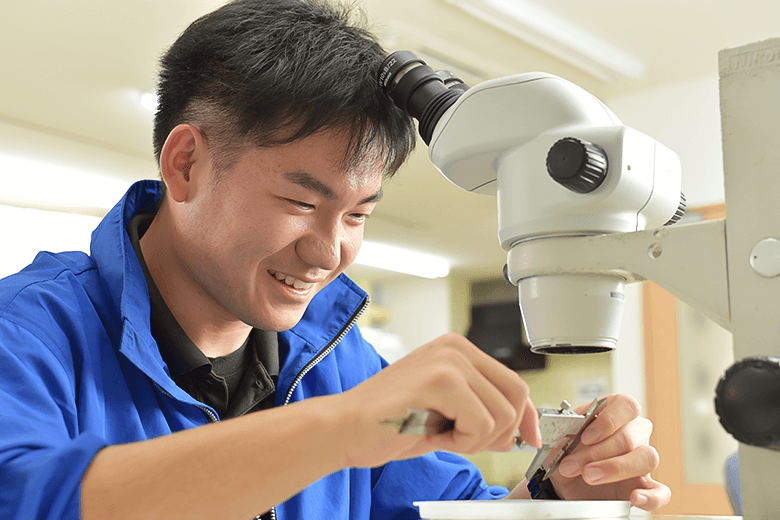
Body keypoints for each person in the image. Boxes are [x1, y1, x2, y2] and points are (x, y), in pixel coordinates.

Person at [0, 1, 671, 519]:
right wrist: (335, 430)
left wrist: (559, 490)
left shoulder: (339, 361)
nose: (329, 253)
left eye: (358, 215)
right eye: (299, 201)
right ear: (186, 163)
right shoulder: (28, 335)